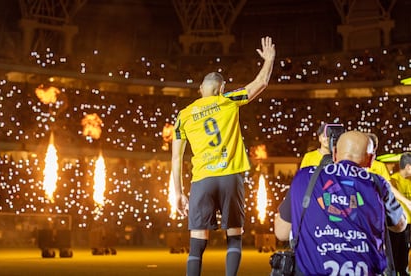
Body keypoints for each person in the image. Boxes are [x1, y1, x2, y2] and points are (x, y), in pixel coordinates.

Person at [171, 36, 276, 276]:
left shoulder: (184, 115)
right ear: (222, 88)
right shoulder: (228, 100)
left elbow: (176, 158)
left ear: (200, 91)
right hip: (229, 176)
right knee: (234, 236)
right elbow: (260, 83)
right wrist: (269, 60)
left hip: (203, 179)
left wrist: (177, 193)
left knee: (196, 245)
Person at [275, 131, 406, 275]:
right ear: (371, 159)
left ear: (335, 153)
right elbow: (399, 225)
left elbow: (281, 232)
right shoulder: (377, 184)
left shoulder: (304, 177)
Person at [389, 152, 411, 276]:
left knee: (405, 250)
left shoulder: (409, 181)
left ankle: (403, 271)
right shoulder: (393, 180)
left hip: (409, 223)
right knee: (397, 250)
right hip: (399, 223)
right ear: (408, 167)